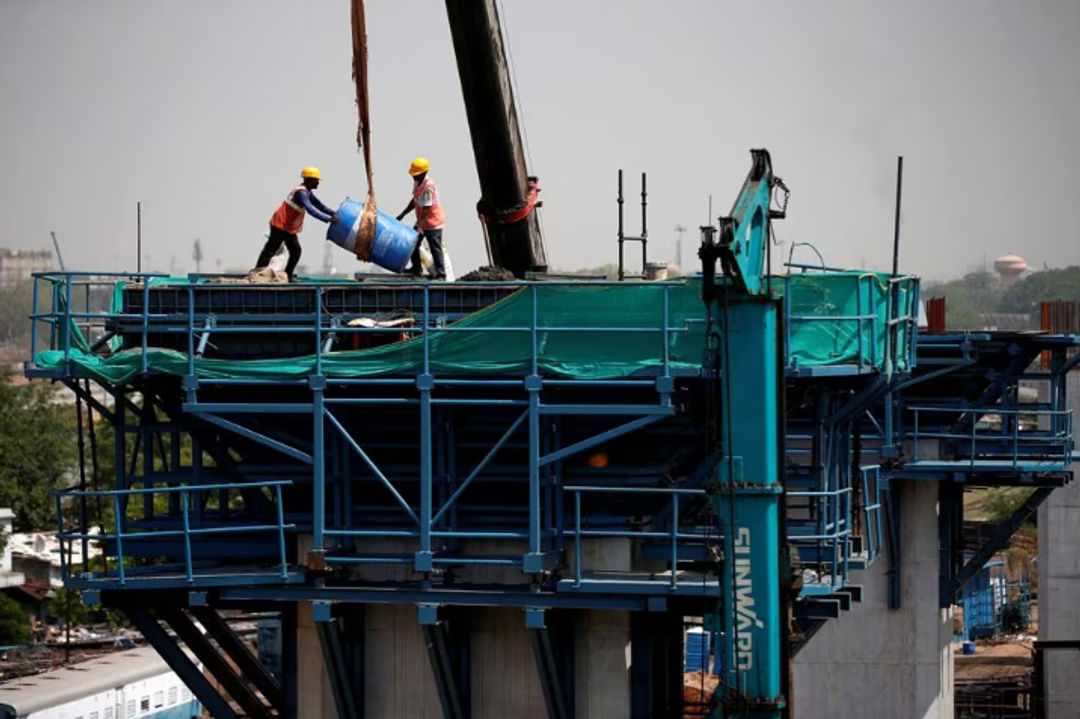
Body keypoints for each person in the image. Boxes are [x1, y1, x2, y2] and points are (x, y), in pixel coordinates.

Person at [256, 166, 337, 281]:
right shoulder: (301, 193)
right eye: (316, 180)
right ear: (309, 180)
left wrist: (335, 213)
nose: (318, 182)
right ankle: (257, 275)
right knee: (270, 250)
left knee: (296, 251)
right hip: (280, 225)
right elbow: (310, 209)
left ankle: (288, 276)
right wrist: (327, 219)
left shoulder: (307, 192)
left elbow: (319, 205)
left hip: (287, 227)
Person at [396, 157, 446, 279]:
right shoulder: (417, 183)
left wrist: (419, 224)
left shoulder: (429, 186)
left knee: (435, 247)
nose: (413, 177)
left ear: (424, 173)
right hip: (422, 221)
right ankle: (416, 268)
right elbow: (415, 200)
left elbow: (427, 207)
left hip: (433, 222)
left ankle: (441, 274)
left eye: (416, 174)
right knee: (413, 243)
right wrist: (403, 213)